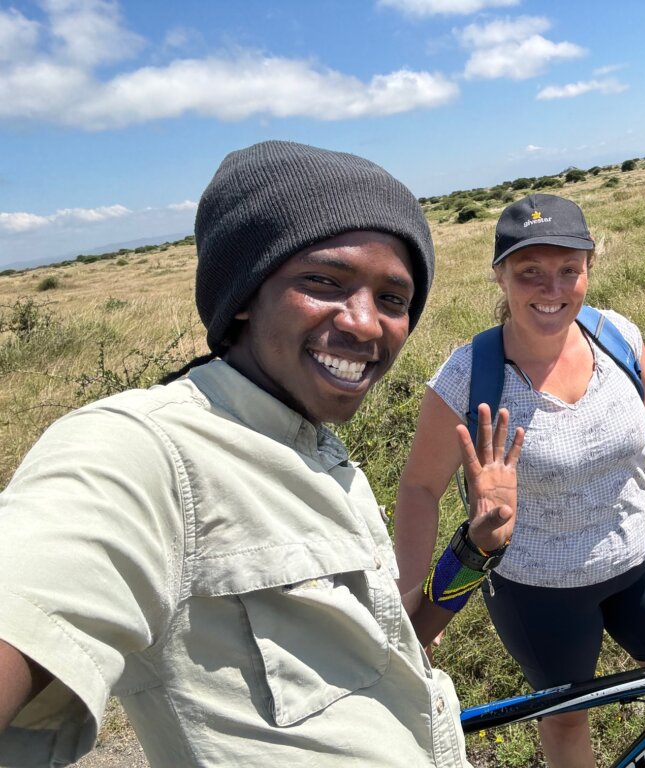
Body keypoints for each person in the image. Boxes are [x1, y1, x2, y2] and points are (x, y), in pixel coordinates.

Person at [0, 140, 523, 768]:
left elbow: (399, 641)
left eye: (393, 299)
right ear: (245, 291)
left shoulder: (319, 457)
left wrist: (476, 549)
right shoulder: (142, 451)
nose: (365, 323)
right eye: (323, 281)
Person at [394, 193, 645, 768]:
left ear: (589, 267)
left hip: (644, 556)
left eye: (570, 269)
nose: (553, 289)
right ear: (499, 276)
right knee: (565, 721)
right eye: (530, 272)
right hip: (537, 585)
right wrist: (410, 601)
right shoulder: (467, 378)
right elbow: (419, 488)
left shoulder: (616, 336)